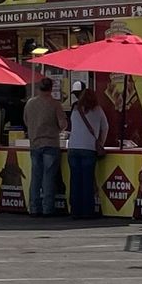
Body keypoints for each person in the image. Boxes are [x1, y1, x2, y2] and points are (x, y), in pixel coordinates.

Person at [23, 76, 67, 217]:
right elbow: (62, 124)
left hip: (35, 144)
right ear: (51, 88)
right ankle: (47, 208)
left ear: (38, 88)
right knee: (48, 177)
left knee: (35, 177)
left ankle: (34, 207)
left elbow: (26, 121)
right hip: (50, 144)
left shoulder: (30, 103)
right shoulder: (55, 104)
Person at [67, 87, 108, 219]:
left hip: (73, 148)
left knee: (75, 180)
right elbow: (105, 127)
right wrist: (101, 142)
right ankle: (87, 211)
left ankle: (75, 210)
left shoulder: (75, 109)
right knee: (87, 181)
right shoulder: (98, 110)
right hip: (89, 148)